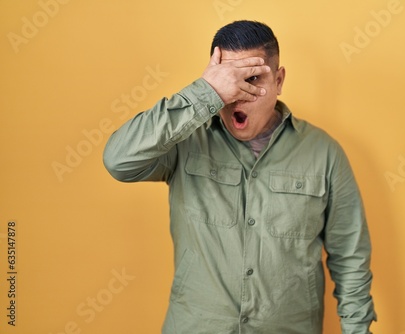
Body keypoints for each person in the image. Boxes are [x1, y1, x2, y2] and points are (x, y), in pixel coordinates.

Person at [103, 20, 376, 334]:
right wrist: (206, 93)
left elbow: (350, 256)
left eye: (253, 79)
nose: (238, 94)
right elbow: (118, 161)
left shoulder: (325, 153)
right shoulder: (185, 141)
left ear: (279, 80)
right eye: (229, 80)